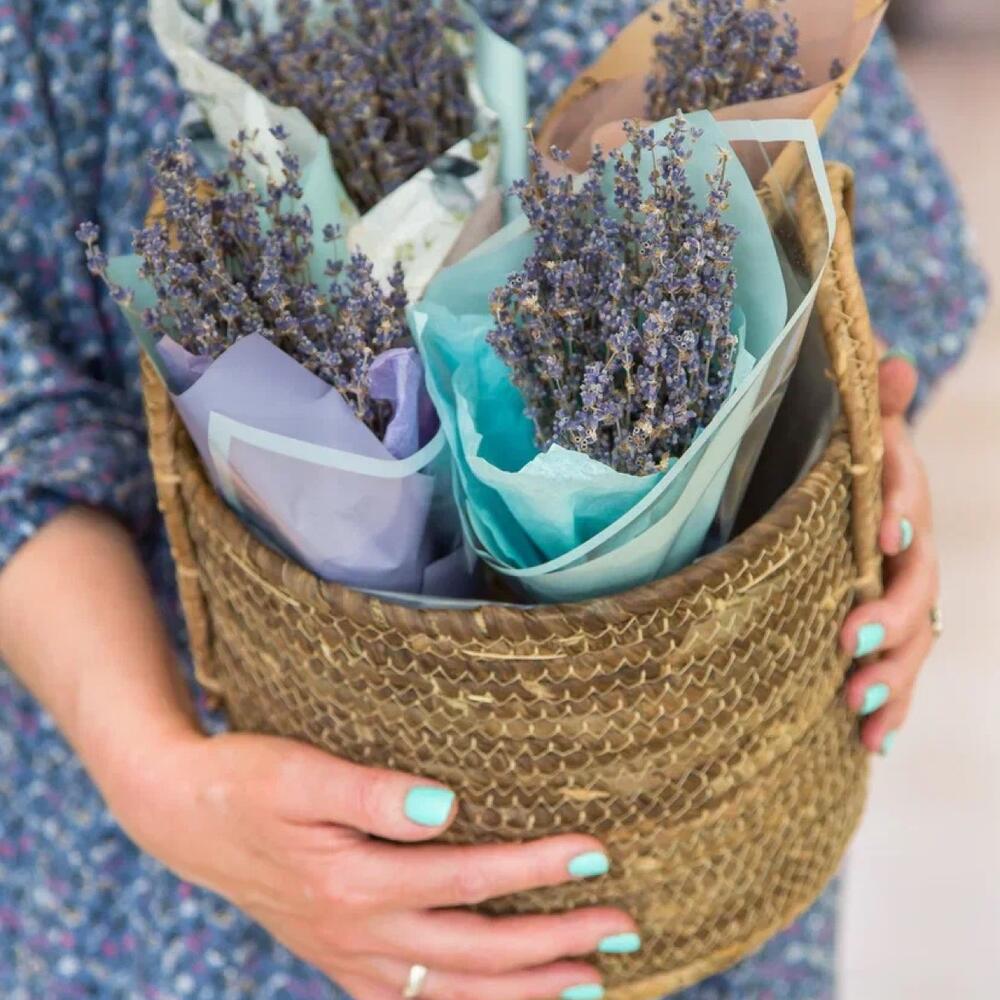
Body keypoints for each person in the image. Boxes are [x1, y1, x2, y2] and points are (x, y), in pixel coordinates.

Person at [0, 2, 987, 998]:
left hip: (698, 810)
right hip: (220, 820)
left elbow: (856, 256)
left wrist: (860, 463)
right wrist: (155, 771)